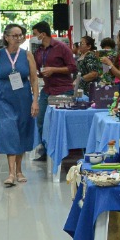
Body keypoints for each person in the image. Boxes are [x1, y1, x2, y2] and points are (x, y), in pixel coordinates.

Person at [0, 23, 38, 186]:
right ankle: (10, 173)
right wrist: (3, 86)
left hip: (23, 98)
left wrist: (35, 100)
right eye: (15, 35)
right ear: (6, 37)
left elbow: (34, 79)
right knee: (8, 130)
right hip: (4, 99)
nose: (18, 38)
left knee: (22, 131)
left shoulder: (27, 55)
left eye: (21, 35)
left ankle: (19, 170)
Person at [30, 21, 77, 160]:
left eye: (35, 34)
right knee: (40, 119)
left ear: (43, 34)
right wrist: (38, 73)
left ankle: (64, 151)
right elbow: (37, 69)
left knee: (59, 121)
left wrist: (54, 70)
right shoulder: (38, 52)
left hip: (63, 89)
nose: (33, 37)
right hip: (47, 89)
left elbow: (72, 67)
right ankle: (45, 149)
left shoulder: (61, 47)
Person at [73, 35, 108, 99]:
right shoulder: (82, 54)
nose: (79, 45)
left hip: (89, 89)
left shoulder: (90, 56)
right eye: (79, 43)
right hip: (82, 87)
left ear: (89, 46)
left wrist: (80, 79)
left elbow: (94, 73)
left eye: (81, 44)